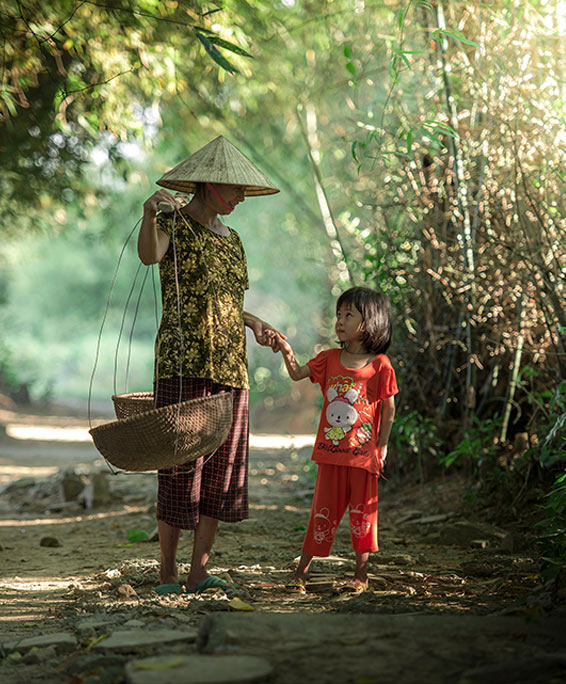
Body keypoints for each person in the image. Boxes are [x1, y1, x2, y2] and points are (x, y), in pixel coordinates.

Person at [138, 136, 283, 595]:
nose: (241, 196)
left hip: (230, 368)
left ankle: (199, 571)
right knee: (181, 467)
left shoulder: (233, 240)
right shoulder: (172, 225)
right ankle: (168, 573)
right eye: (235, 187)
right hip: (184, 363)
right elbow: (148, 255)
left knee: (222, 470)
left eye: (243, 189)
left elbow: (226, 301)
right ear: (210, 184)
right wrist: (147, 215)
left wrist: (254, 322)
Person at [275, 287, 397, 594]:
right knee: (321, 514)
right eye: (338, 315)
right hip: (330, 454)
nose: (339, 321)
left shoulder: (380, 365)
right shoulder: (328, 359)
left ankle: (361, 576)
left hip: (362, 457)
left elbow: (389, 408)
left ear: (368, 323)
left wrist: (382, 446)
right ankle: (299, 575)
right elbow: (297, 373)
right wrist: (286, 350)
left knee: (363, 516)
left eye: (348, 315)